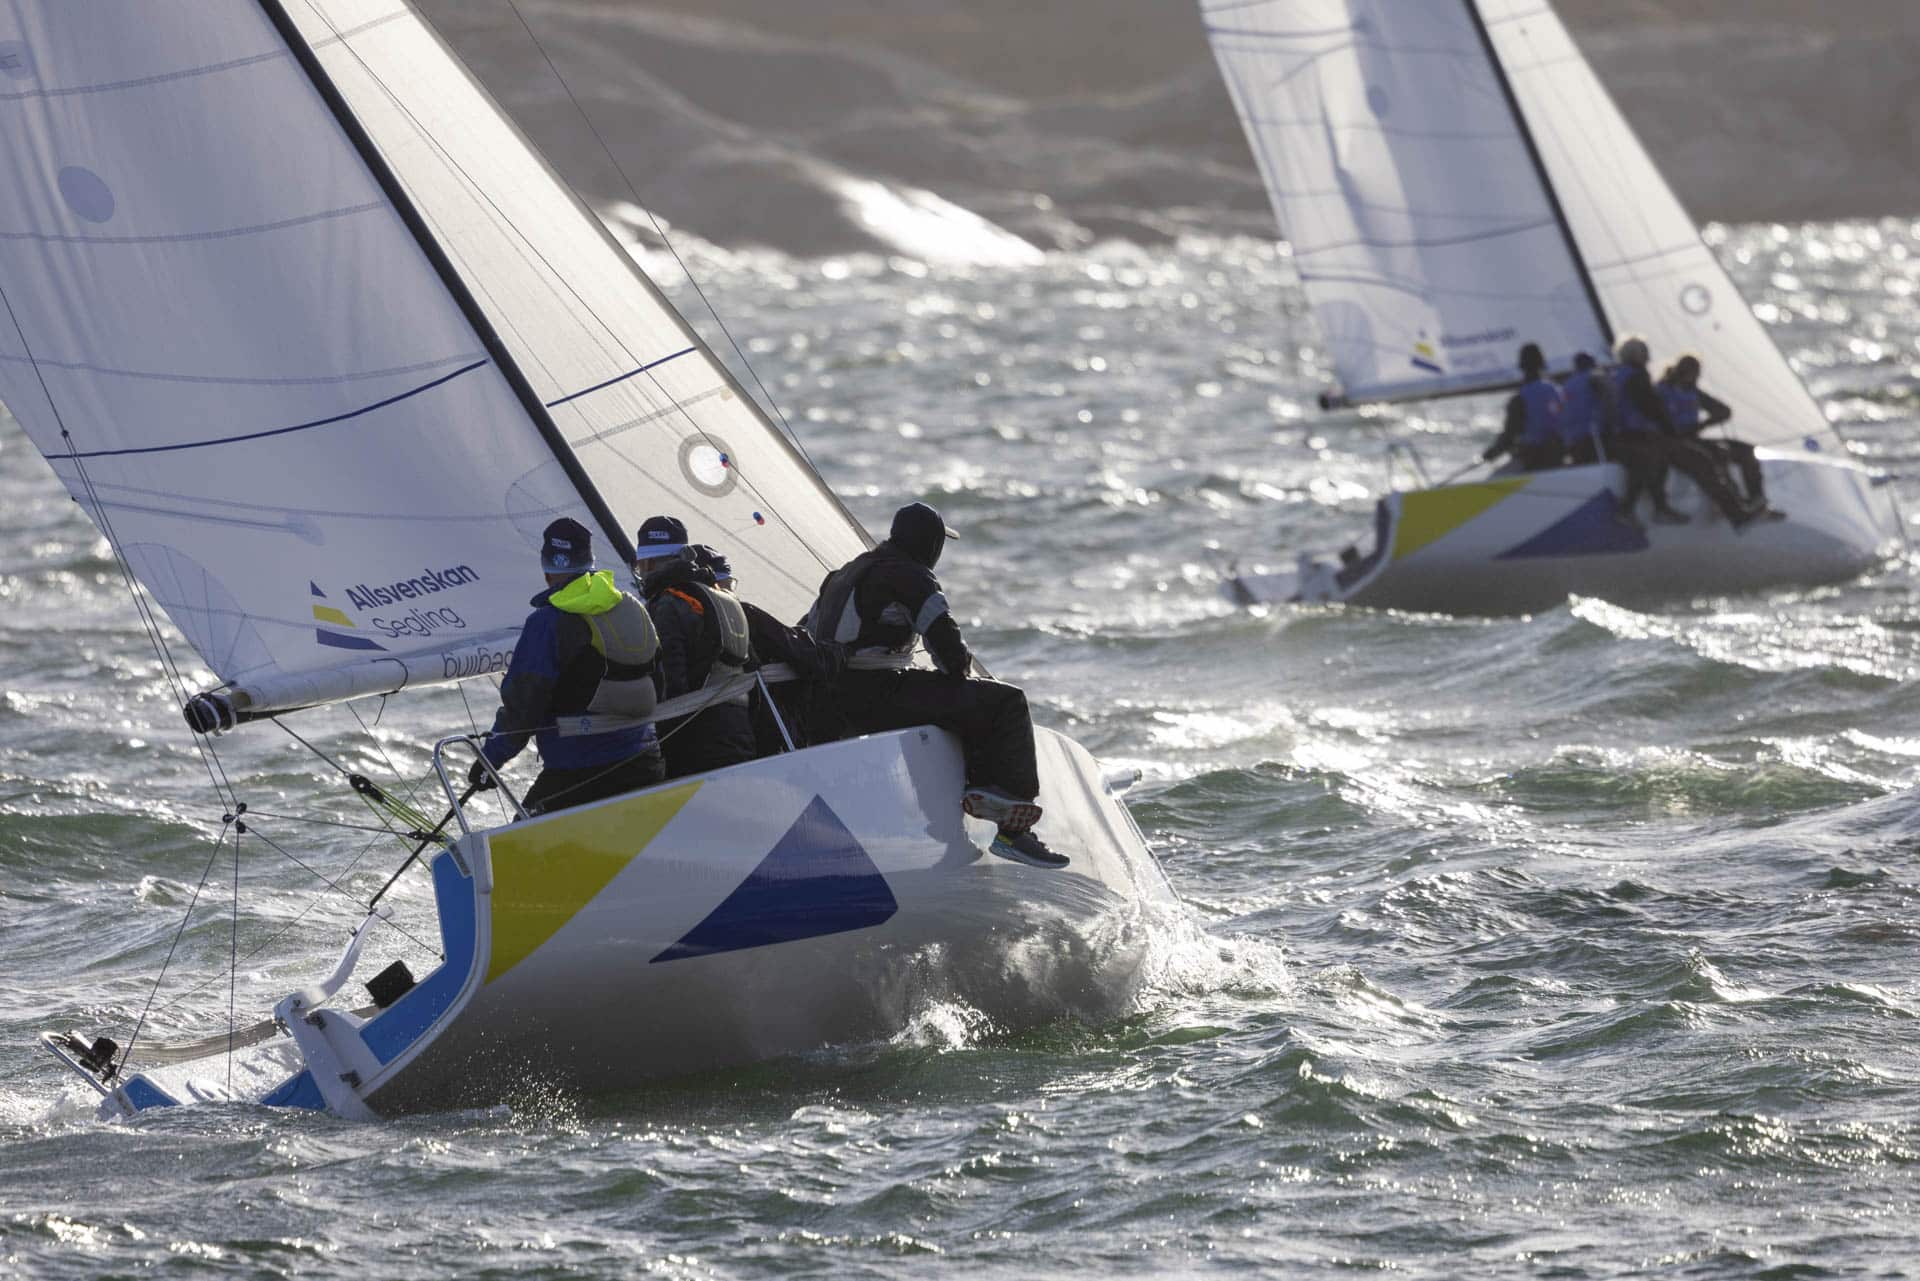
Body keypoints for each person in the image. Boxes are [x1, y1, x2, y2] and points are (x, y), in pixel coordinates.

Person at [805, 501, 1067, 869]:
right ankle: (1013, 833)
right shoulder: (912, 576)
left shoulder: (843, 574)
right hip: (875, 694)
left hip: (828, 699)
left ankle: (954, 818)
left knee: (945, 705)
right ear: (932, 545)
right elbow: (952, 658)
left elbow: (808, 633)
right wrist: (959, 673)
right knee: (1006, 702)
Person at [469, 517, 664, 814]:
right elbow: (659, 679)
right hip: (645, 761)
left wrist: (489, 761)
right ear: (591, 563)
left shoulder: (546, 622)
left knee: (522, 838)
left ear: (547, 571)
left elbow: (523, 707)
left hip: (581, 769)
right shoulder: (631, 606)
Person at [634, 520, 757, 779]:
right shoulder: (717, 596)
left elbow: (671, 685)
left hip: (698, 742)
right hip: (740, 730)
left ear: (648, 564)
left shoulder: (667, 604)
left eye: (639, 566)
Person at [1660, 354, 1783, 521]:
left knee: (1746, 451)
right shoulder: (1663, 390)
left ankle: (1758, 502)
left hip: (1693, 437)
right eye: (1694, 373)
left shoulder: (1693, 392)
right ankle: (1728, 504)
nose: (1696, 377)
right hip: (1675, 441)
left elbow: (1724, 411)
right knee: (1716, 454)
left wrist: (1703, 424)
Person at [1607, 336, 1693, 526]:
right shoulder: (1637, 376)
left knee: (1650, 458)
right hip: (1635, 434)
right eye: (1645, 353)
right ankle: (1645, 509)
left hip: (1619, 434)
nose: (1648, 358)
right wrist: (1670, 429)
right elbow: (1651, 406)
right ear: (1637, 355)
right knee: (1658, 456)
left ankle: (1656, 507)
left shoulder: (1617, 374)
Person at [1482, 343, 1564, 471]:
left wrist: (1491, 453)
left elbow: (1510, 434)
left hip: (1533, 460)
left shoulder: (1520, 399)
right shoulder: (1557, 391)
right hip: (1558, 456)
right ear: (1542, 364)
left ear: (1521, 367)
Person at [1558, 352, 1612, 465]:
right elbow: (1608, 404)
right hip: (1595, 438)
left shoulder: (1567, 385)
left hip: (1574, 441)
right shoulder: (1595, 378)